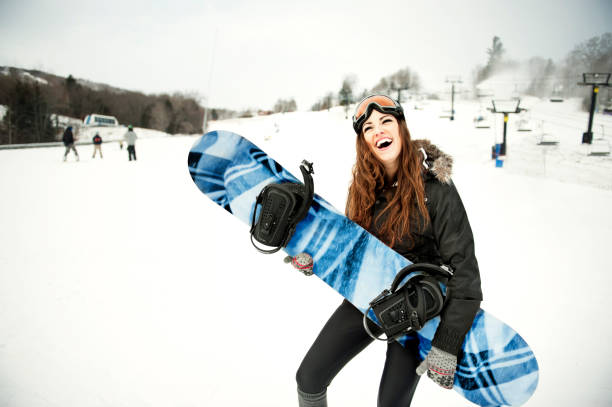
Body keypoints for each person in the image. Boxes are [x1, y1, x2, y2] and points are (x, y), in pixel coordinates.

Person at [295, 95, 482, 407]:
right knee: (309, 378)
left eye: (385, 121)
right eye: (368, 127)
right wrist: (315, 259)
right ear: (364, 140)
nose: (378, 130)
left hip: (418, 308)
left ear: (401, 127)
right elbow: (350, 250)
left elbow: (464, 270)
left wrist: (447, 342)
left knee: (390, 404)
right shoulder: (362, 187)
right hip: (370, 294)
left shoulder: (435, 187)